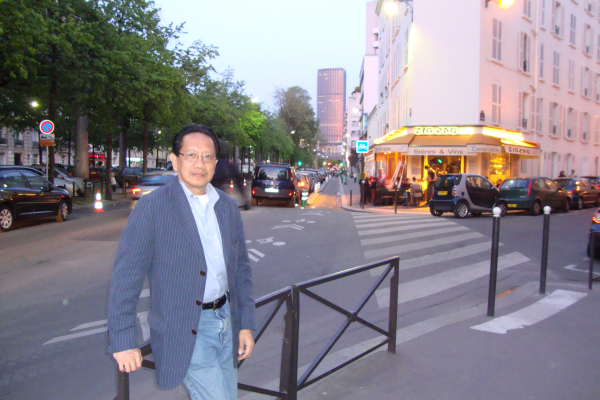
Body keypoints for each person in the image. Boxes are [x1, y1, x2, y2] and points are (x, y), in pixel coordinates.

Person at [107, 124, 255, 400]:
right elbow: (126, 278)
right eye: (191, 155)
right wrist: (123, 340)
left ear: (215, 163)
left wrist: (245, 323)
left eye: (207, 156)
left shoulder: (226, 206)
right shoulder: (152, 207)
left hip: (226, 320)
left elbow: (240, 271)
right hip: (186, 328)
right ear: (175, 160)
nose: (200, 163)